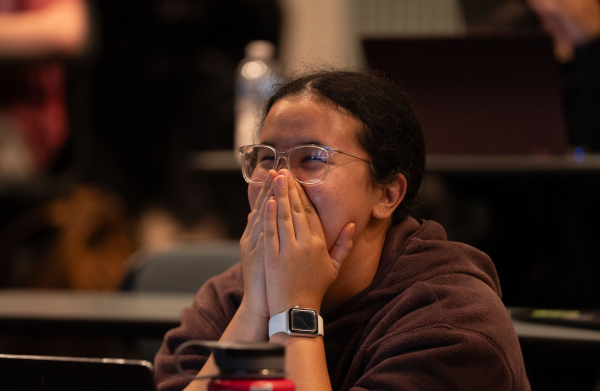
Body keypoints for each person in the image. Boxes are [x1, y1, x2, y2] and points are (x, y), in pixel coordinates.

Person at [154, 70, 530, 391]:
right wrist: (254, 311)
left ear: (387, 194)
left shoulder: (453, 322)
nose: (279, 180)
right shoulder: (231, 297)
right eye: (267, 158)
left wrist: (292, 311)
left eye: (313, 159)